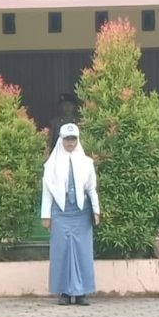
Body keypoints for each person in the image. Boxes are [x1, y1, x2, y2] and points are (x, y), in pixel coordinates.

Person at [41, 123, 100, 306]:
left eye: (73, 139)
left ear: (77, 140)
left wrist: (97, 210)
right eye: (67, 139)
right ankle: (64, 292)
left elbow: (91, 189)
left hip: (81, 211)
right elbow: (47, 190)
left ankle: (82, 292)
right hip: (61, 209)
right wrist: (46, 215)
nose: (70, 142)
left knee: (82, 250)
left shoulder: (86, 162)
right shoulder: (51, 164)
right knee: (62, 250)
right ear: (61, 140)